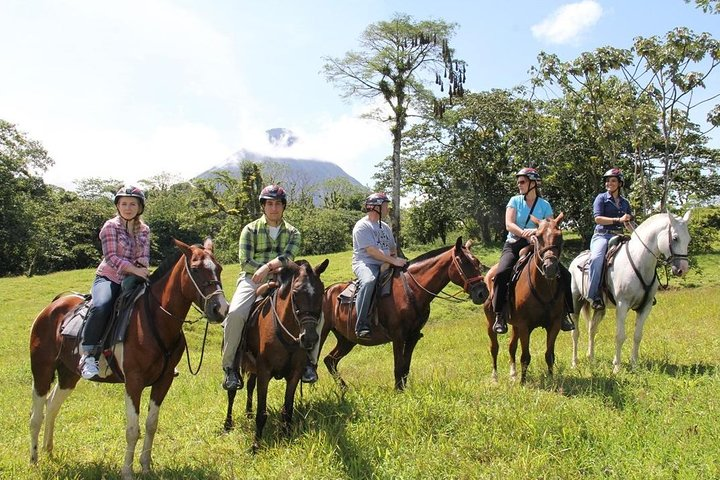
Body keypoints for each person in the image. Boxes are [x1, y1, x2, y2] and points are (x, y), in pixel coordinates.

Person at [221, 185, 308, 390]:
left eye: (278, 204)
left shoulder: (293, 232)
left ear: (283, 207)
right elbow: (245, 261)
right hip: (252, 278)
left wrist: (269, 267)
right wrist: (261, 271)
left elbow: (288, 258)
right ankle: (230, 367)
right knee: (234, 314)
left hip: (284, 278)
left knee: (312, 310)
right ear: (263, 206)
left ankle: (308, 363)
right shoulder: (249, 229)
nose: (274, 208)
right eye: (269, 204)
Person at [491, 168, 575, 334]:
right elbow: (509, 224)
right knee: (501, 273)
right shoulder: (514, 201)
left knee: (565, 275)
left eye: (522, 181)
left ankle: (565, 313)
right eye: (518, 182)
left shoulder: (545, 205)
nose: (519, 185)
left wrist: (537, 235)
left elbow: (550, 225)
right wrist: (524, 233)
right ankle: (499, 315)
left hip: (539, 244)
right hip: (515, 243)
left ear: (533, 183)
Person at [79, 185, 151, 379]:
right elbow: (111, 257)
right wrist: (134, 269)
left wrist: (141, 269)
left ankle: (154, 355)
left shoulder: (144, 229)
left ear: (140, 207)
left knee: (153, 304)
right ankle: (88, 355)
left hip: (134, 278)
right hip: (109, 277)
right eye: (124, 203)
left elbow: (144, 256)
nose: (128, 208)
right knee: (102, 305)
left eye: (133, 204)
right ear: (118, 206)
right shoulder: (110, 226)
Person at [352, 192, 407, 338]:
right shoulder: (362, 226)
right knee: (369, 281)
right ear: (375, 207)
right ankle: (361, 325)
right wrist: (392, 261)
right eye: (385, 205)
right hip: (366, 263)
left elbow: (393, 249)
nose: (387, 208)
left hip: (386, 262)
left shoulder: (385, 227)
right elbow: (371, 251)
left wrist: (391, 261)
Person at [587, 168, 634, 310]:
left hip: (619, 236)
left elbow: (628, 223)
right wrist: (618, 219)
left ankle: (642, 292)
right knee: (596, 258)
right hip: (602, 235)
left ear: (620, 183)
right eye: (607, 181)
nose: (609, 183)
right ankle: (593, 295)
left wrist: (638, 234)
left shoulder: (625, 203)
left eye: (613, 181)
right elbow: (598, 219)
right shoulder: (601, 198)